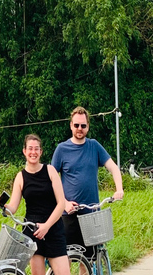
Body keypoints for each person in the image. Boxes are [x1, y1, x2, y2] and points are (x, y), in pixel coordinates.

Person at [51, 106, 124, 258]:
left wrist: (119, 189)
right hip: (68, 214)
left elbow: (113, 168)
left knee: (89, 260)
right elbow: (51, 179)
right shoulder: (61, 149)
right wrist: (64, 203)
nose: (79, 129)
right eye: (76, 125)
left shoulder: (94, 146)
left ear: (88, 127)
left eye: (83, 126)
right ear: (71, 125)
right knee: (66, 258)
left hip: (91, 214)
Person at [0, 134, 68, 275]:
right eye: (30, 149)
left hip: (53, 228)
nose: (33, 152)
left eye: (36, 149)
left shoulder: (50, 171)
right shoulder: (20, 177)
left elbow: (61, 203)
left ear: (41, 152)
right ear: (24, 151)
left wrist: (47, 226)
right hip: (32, 231)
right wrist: (2, 205)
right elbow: (13, 207)